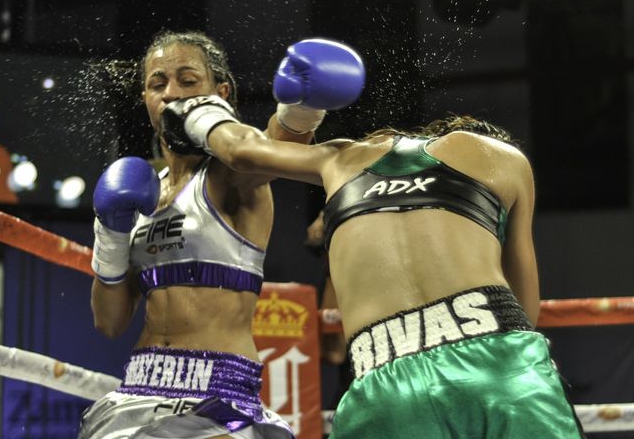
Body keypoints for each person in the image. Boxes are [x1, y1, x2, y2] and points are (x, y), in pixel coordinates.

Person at [160, 102, 586, 438]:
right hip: (498, 364)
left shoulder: (344, 157)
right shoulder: (502, 158)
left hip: (382, 379)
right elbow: (526, 311)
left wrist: (195, 111)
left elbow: (241, 151)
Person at [78, 31, 365, 439]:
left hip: (217, 393)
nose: (171, 93)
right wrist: (110, 232)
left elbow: (267, 150)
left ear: (221, 92)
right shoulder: (141, 194)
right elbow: (109, 322)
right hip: (136, 389)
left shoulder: (231, 175)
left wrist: (300, 111)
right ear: (146, 99)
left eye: (188, 80)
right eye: (158, 84)